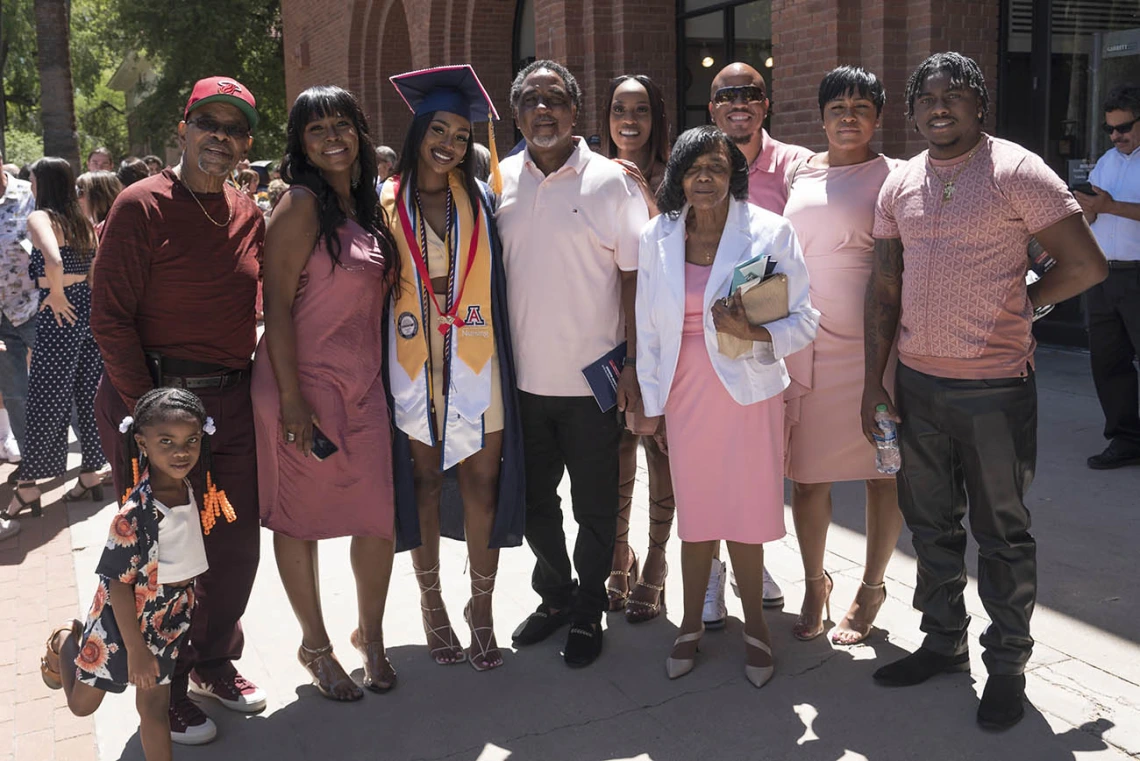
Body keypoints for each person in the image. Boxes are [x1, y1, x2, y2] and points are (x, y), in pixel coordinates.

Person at [864, 52, 1107, 730]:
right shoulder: (900, 183)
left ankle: (1006, 663)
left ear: (980, 105)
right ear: (912, 111)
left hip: (995, 390)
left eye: (955, 93)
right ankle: (942, 642)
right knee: (930, 525)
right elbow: (884, 288)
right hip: (917, 384)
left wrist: (1026, 304)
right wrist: (871, 385)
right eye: (927, 96)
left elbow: (1085, 263)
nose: (940, 105)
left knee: (1001, 532)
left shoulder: (1018, 171)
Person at [90, 76, 267, 744]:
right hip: (156, 404)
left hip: (230, 401)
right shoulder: (142, 205)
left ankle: (213, 662)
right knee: (168, 554)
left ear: (246, 144)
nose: (221, 138)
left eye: (235, 129)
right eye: (209, 123)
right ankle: (165, 684)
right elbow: (108, 318)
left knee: (234, 544)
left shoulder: (248, 210)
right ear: (185, 129)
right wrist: (147, 416)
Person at [636, 126, 818, 687]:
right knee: (695, 515)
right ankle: (689, 623)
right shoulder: (657, 235)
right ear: (678, 179)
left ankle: (756, 627)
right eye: (693, 169)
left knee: (743, 511)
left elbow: (806, 319)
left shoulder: (768, 231)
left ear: (733, 174)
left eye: (717, 166)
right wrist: (651, 404)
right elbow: (647, 328)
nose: (706, 178)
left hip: (746, 391)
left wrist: (757, 332)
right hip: (684, 392)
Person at [497, 59, 647, 668]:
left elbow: (636, 277)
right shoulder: (499, 179)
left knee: (594, 508)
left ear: (575, 110)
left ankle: (589, 608)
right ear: (516, 112)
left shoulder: (612, 181)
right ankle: (556, 595)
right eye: (530, 99)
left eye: (554, 98)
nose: (542, 109)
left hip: (594, 383)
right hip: (521, 383)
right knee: (535, 503)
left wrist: (634, 363)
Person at [253, 85, 401, 699]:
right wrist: (292, 399)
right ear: (301, 144)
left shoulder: (364, 208)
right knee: (301, 519)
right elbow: (278, 310)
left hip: (362, 386)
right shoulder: (301, 205)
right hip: (300, 386)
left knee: (376, 517)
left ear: (360, 132)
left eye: (342, 124)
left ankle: (372, 634)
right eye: (317, 130)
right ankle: (315, 644)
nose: (332, 137)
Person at [382, 65, 525, 672]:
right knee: (421, 483)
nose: (450, 143)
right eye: (438, 129)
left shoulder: (483, 198)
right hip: (413, 360)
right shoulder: (383, 202)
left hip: (474, 354)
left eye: (462, 135)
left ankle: (483, 607)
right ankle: (433, 603)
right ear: (417, 130)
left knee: (480, 483)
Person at [40, 387, 231, 761]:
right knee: (82, 706)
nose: (181, 451)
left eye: (191, 440)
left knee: (154, 709)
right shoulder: (134, 515)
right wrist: (137, 650)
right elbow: (117, 585)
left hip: (169, 617)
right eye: (166, 441)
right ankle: (65, 641)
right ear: (142, 443)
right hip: (120, 621)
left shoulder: (189, 485)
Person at [782, 66, 903, 645]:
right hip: (808, 342)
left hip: (876, 347)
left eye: (861, 106)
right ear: (822, 115)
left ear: (878, 117)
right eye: (837, 105)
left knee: (884, 474)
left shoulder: (897, 177)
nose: (848, 115)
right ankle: (813, 582)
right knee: (808, 478)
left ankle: (872, 587)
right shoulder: (800, 173)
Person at [703, 61, 812, 620]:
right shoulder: (699, 163)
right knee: (709, 463)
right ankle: (715, 575)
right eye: (727, 95)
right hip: (707, 345)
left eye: (751, 93)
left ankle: (750, 556)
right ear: (712, 106)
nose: (739, 102)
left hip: (768, 337)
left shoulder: (795, 166)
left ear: (766, 104)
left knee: (760, 465)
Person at [600, 73, 675, 624]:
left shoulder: (675, 174)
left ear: (656, 118)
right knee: (616, 450)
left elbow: (674, 245)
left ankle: (656, 562)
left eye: (641, 109)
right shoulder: (596, 178)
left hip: (660, 338)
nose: (630, 119)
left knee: (661, 450)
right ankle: (618, 556)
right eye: (620, 108)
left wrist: (644, 191)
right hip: (605, 337)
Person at [5, 157, 107, 519]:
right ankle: (92, 472)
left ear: (43, 182)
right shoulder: (79, 217)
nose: (29, 184)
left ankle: (30, 485)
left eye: (32, 179)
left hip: (59, 312)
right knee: (85, 390)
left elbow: (52, 256)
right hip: (86, 308)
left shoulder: (40, 217)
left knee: (46, 397)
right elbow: (95, 259)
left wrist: (58, 293)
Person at [1074, 84, 1140, 470]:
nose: (1117, 136)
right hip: (1103, 275)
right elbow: (1094, 215)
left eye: (1125, 127)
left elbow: (1112, 207)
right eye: (1110, 129)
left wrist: (1110, 205)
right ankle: (1126, 438)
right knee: (1108, 362)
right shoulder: (1106, 162)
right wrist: (1090, 210)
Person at [0, 153, 37, 542]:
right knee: (15, 394)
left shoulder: (27, 194)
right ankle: (32, 464)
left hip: (34, 306)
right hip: (0, 317)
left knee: (60, 383)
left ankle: (95, 461)